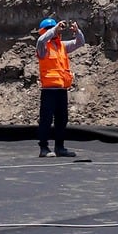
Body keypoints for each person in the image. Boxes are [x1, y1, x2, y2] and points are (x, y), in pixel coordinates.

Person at [35, 17, 83, 158]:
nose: (55, 32)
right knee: (46, 120)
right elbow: (41, 40)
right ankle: (44, 148)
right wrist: (54, 29)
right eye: (50, 29)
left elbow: (80, 42)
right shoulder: (43, 47)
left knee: (62, 120)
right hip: (49, 90)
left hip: (62, 90)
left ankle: (59, 147)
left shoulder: (62, 46)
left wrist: (77, 32)